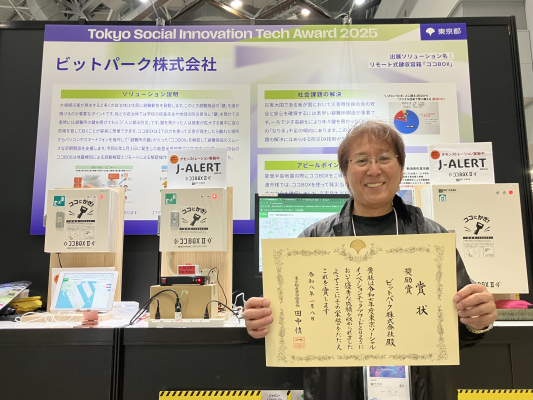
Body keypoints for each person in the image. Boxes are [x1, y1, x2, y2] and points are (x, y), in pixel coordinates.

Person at [243, 120, 497, 400]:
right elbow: (288, 323)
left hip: (422, 391)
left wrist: (478, 320)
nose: (374, 170)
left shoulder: (432, 238)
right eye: (361, 160)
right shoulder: (315, 240)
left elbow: (462, 331)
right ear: (345, 173)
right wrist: (261, 322)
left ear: (401, 169)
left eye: (384, 158)